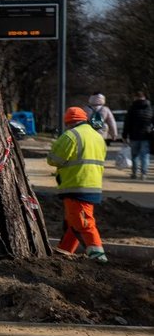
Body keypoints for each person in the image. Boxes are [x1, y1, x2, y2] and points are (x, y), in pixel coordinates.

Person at [47, 106, 108, 263]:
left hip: (76, 184)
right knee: (73, 220)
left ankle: (97, 254)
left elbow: (54, 159)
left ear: (68, 122)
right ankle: (64, 250)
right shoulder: (97, 136)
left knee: (82, 221)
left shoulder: (70, 136)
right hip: (93, 184)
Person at [122, 90, 153, 181]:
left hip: (134, 135)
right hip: (146, 136)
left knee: (134, 155)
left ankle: (134, 173)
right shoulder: (150, 108)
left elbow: (127, 123)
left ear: (135, 97)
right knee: (145, 156)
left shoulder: (132, 108)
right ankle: (144, 174)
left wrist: (124, 135)